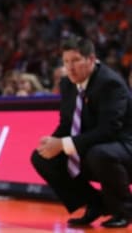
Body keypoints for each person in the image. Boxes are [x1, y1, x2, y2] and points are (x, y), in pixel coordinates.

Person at [32, 36, 132, 228]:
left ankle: (124, 210)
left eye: (76, 60)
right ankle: (95, 204)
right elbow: (67, 123)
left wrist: (62, 145)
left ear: (91, 59)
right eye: (66, 62)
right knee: (42, 158)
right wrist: (53, 142)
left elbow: (108, 131)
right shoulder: (67, 84)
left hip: (124, 148)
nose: (70, 67)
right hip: (96, 148)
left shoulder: (110, 84)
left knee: (99, 154)